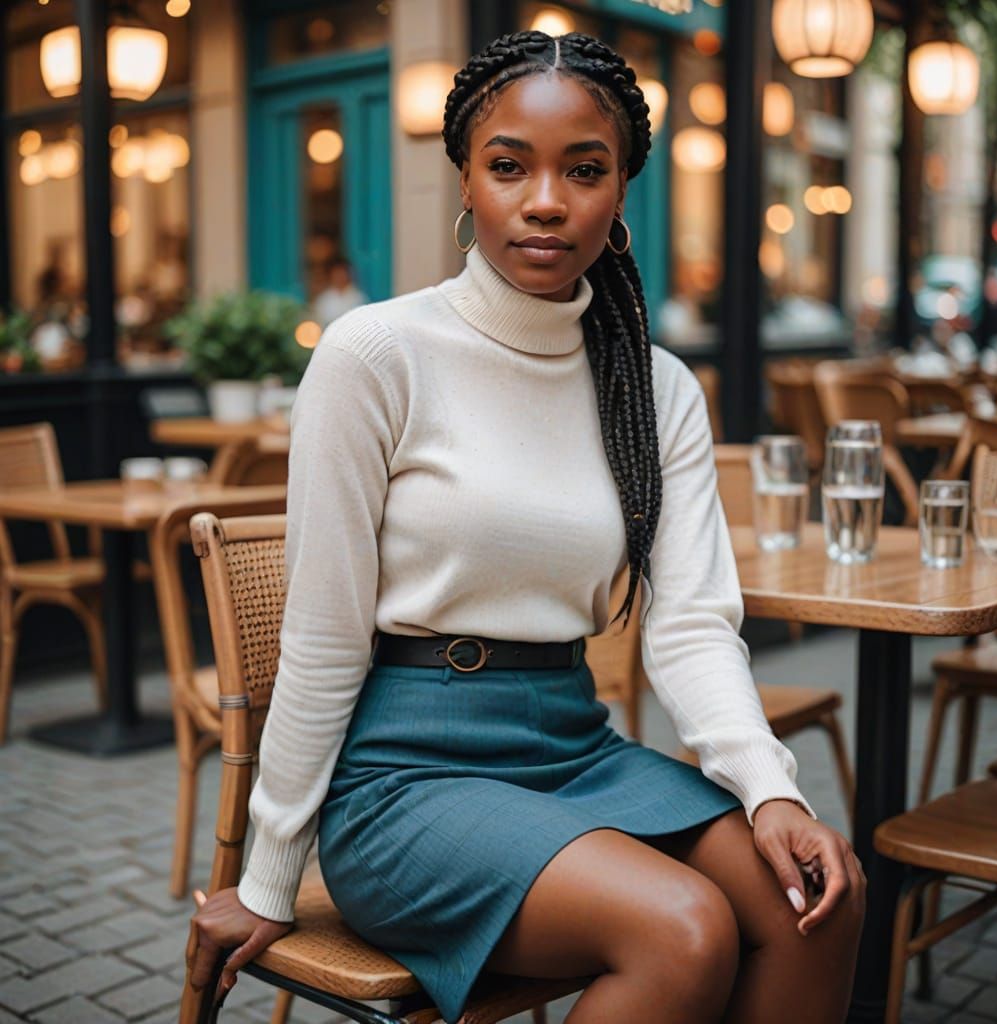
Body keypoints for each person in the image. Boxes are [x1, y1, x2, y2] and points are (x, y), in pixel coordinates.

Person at [188, 31, 865, 1023]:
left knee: (818, 899)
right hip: (406, 774)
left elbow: (686, 626)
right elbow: (324, 636)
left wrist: (771, 792)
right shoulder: (375, 354)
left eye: (583, 170)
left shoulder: (655, 387)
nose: (545, 198)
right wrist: (269, 873)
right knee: (683, 928)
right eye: (509, 165)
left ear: (621, 190)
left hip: (570, 742)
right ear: (467, 178)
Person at [311, 255, 367, 327]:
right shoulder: (323, 300)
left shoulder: (358, 297)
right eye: (336, 273)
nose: (339, 276)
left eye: (342, 272)